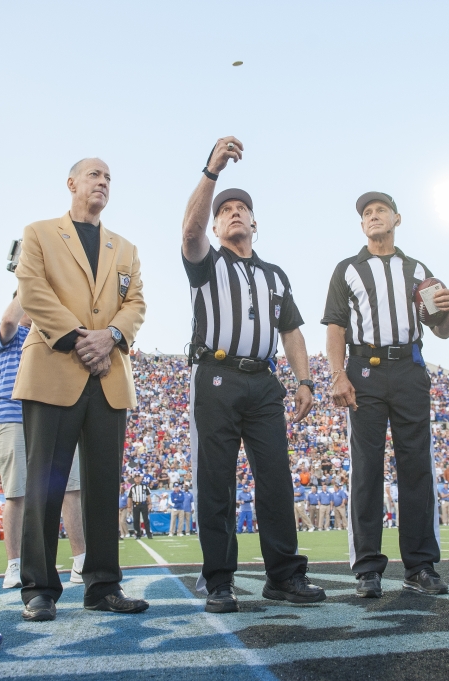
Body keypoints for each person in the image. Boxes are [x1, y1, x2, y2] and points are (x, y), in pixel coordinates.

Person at [181, 136, 324, 614]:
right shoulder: (206, 262)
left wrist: (304, 381)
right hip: (216, 373)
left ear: (254, 222)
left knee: (276, 480)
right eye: (227, 210)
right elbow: (188, 232)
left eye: (243, 208)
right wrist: (211, 172)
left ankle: (283, 576)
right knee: (217, 480)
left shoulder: (276, 276)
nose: (235, 212)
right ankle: (219, 580)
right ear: (217, 224)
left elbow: (293, 332)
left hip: (263, 381)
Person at [13, 157, 147, 621]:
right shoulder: (39, 232)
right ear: (71, 183)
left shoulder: (125, 247)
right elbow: (32, 290)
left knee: (103, 486)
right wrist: (80, 339)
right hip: (54, 366)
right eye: (95, 175)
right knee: (44, 483)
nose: (103, 182)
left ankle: (103, 585)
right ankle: (39, 587)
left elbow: (136, 302)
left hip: (108, 373)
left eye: (109, 177)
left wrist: (108, 338)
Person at [324, 191, 449, 599]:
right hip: (364, 368)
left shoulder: (418, 269)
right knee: (366, 467)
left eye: (380, 210)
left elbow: (442, 329)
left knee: (416, 466)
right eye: (366, 213)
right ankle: (367, 567)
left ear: (397, 219)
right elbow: (335, 327)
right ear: (361, 224)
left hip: (410, 368)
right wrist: (337, 374)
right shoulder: (348, 269)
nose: (373, 216)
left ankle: (420, 565)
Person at [0, 293, 86, 589]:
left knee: (72, 487)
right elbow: (8, 320)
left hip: (52, 417)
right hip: (13, 416)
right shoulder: (12, 334)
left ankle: (82, 560)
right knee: (17, 493)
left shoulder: (51, 336)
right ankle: (15, 565)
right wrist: (30, 283)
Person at [128, 474, 152, 539]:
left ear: (141, 478)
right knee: (136, 520)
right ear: (134, 479)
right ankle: (138, 534)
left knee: (146, 519)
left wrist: (150, 504)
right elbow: (129, 497)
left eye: (138, 477)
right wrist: (129, 507)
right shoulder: (132, 487)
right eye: (136, 478)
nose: (137, 479)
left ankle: (148, 534)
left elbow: (148, 495)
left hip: (144, 504)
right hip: (136, 504)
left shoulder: (145, 486)